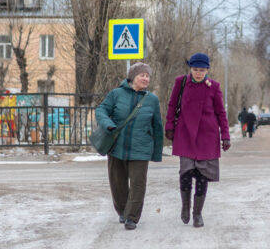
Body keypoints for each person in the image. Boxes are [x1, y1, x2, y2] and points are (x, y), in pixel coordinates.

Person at [95, 62, 164, 231]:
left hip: (141, 147)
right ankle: (122, 211)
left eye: (147, 76)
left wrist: (156, 153)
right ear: (133, 77)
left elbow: (157, 126)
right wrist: (108, 124)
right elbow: (101, 110)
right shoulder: (116, 94)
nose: (146, 78)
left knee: (138, 183)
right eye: (142, 75)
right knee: (117, 183)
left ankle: (132, 217)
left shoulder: (152, 100)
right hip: (116, 145)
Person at [165, 52, 230, 228]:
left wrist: (225, 135)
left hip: (207, 136)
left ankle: (197, 214)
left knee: (202, 175)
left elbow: (221, 113)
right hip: (185, 133)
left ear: (207, 70)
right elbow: (172, 105)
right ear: (190, 69)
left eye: (202, 70)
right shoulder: (181, 82)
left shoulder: (214, 87)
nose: (198, 73)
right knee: (185, 172)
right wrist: (169, 125)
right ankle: (185, 207)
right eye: (195, 69)